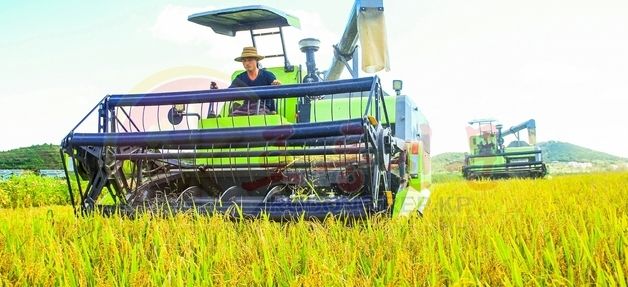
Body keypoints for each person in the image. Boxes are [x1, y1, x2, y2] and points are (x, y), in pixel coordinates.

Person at [229, 46, 281, 115]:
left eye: (250, 60)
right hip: (246, 108)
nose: (247, 63)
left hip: (265, 108)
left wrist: (277, 85)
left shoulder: (267, 75)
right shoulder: (240, 77)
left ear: (256, 60)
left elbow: (277, 89)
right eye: (244, 61)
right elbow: (229, 92)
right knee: (233, 116)